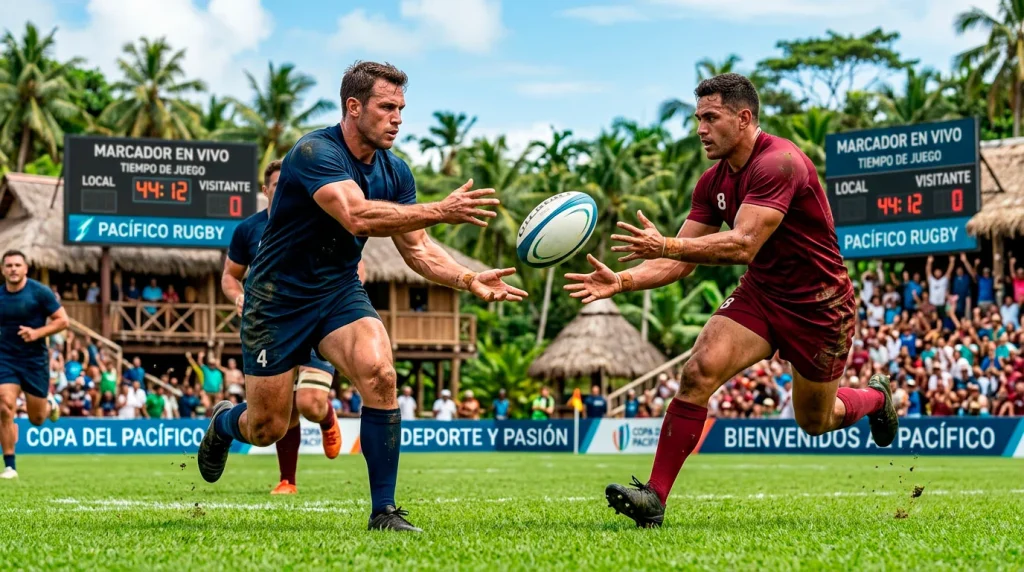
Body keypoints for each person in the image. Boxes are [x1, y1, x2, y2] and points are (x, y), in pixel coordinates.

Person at [197, 61, 526, 532]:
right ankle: (225, 423)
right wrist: (439, 210)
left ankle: (384, 511)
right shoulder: (313, 151)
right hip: (276, 300)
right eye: (387, 107)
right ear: (353, 107)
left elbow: (417, 250)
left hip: (336, 292)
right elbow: (356, 216)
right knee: (267, 428)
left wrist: (466, 278)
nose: (397, 118)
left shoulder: (396, 172)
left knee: (381, 374)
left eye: (401, 109)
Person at [564, 73, 898, 528]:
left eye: (711, 118)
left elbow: (742, 245)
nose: (700, 128)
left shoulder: (780, 162)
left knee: (816, 421)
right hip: (762, 294)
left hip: (821, 306)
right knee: (698, 371)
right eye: (697, 118)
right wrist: (621, 281)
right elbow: (679, 263)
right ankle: (654, 497)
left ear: (743, 118)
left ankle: (875, 398)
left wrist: (665, 246)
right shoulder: (711, 182)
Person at [221, 159, 349, 495]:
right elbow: (230, 275)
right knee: (277, 416)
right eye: (279, 185)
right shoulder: (247, 229)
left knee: (309, 402)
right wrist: (238, 297)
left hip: (314, 322)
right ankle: (287, 480)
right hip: (270, 326)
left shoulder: (320, 219)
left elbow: (354, 266)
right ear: (266, 191)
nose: (287, 189)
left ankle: (326, 418)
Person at [0, 250, 67, 479]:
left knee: (37, 419)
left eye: (17, 265)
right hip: (5, 358)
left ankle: (50, 405)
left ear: (25, 268)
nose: (13, 269)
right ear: (3, 270)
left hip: (34, 361)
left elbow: (63, 320)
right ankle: (10, 466)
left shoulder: (40, 292)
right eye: (9, 265)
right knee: (4, 404)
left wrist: (38, 332)